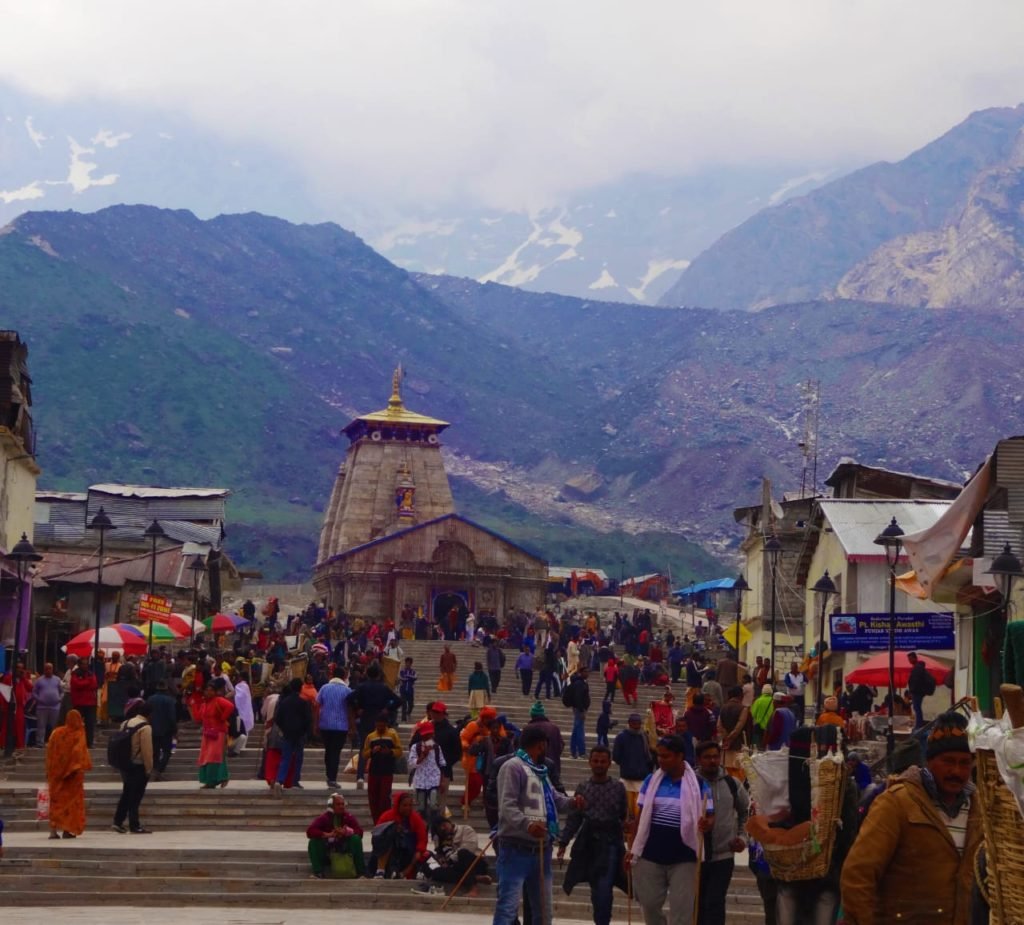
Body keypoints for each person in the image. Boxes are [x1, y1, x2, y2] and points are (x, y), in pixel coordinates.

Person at [840, 712, 981, 924]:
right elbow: (858, 875)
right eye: (948, 761)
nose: (957, 771)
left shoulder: (980, 811)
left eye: (964, 763)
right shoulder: (896, 803)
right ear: (930, 761)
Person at [492, 725, 582, 925]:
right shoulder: (513, 767)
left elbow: (555, 799)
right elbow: (507, 806)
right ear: (541, 746)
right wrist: (528, 825)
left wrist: (573, 803)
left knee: (544, 912)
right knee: (507, 908)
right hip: (516, 848)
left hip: (541, 851)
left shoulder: (540, 771)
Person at [627, 733, 704, 925]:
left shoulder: (699, 785)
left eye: (666, 756)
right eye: (659, 756)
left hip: (684, 857)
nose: (660, 760)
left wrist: (707, 823)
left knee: (682, 912)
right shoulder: (650, 781)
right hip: (651, 855)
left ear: (680, 757)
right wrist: (631, 848)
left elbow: (708, 814)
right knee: (649, 904)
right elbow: (641, 815)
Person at [557, 745, 628, 925]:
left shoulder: (618, 788)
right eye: (595, 761)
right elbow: (574, 818)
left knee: (604, 887)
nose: (599, 764)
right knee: (596, 888)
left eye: (603, 761)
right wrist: (563, 842)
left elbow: (625, 817)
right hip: (588, 843)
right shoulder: (583, 787)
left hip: (611, 843)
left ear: (609, 763)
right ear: (589, 762)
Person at [694, 740, 749, 925]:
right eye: (707, 757)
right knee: (698, 904)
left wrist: (742, 837)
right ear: (699, 759)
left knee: (715, 902)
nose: (712, 761)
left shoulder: (732, 784)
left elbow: (746, 813)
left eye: (715, 756)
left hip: (723, 855)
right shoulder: (690, 784)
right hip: (696, 856)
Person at [45, 708, 92, 839]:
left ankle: (53, 832)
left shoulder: (56, 732)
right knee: (71, 805)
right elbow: (79, 752)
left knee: (56, 803)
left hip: (55, 775)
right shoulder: (79, 733)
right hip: (72, 777)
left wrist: (49, 771)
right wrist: (74, 768)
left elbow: (49, 752)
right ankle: (68, 830)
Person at [419, 815, 491, 895]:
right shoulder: (441, 842)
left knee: (462, 853)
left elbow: (469, 848)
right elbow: (441, 858)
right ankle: (476, 878)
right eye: (440, 829)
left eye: (444, 825)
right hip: (456, 868)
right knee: (434, 870)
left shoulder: (466, 829)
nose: (443, 829)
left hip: (474, 864)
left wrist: (449, 861)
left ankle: (473, 887)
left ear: (448, 822)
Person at [112, 700, 154, 834]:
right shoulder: (145, 727)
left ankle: (118, 821)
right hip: (138, 765)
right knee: (135, 797)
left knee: (126, 793)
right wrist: (149, 768)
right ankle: (134, 825)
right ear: (150, 714)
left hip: (124, 764)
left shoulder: (125, 723)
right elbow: (147, 750)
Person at [369, 791, 429, 880]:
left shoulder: (416, 818)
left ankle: (402, 874)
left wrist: (419, 850)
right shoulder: (386, 816)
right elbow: (377, 835)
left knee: (425, 855)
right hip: (389, 849)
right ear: (398, 805)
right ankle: (381, 871)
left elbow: (422, 838)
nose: (408, 808)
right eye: (405, 805)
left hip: (408, 849)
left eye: (410, 805)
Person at [306, 792, 365, 879]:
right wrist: (327, 834)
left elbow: (360, 831)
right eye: (338, 804)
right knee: (313, 842)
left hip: (345, 850)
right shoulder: (324, 817)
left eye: (342, 804)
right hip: (328, 851)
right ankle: (318, 872)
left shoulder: (348, 816)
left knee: (356, 839)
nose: (341, 806)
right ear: (331, 806)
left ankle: (360, 872)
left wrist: (347, 832)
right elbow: (310, 831)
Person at [273, 677, 313, 794]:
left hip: (287, 733)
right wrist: (305, 731)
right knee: (298, 758)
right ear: (301, 688)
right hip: (299, 734)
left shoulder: (284, 702)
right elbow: (308, 719)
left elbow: (278, 718)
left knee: (285, 758)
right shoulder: (303, 702)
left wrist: (284, 728)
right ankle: (295, 781)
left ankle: (279, 780)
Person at [316, 666, 353, 788]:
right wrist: (352, 727)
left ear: (332, 675)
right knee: (336, 752)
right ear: (344, 677)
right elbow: (351, 710)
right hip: (341, 727)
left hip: (325, 724)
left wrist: (315, 724)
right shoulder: (347, 691)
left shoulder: (324, 688)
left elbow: (316, 705)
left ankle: (329, 775)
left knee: (328, 751)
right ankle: (332, 778)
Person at [612, 712, 654, 821]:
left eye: (638, 723)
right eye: (634, 723)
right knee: (627, 810)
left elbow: (648, 755)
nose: (636, 725)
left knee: (638, 811)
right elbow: (616, 756)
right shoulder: (621, 737)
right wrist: (627, 764)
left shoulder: (644, 736)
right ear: (629, 723)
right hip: (627, 778)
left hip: (641, 777)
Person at [362, 711, 402, 822]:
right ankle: (376, 822)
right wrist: (372, 751)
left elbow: (399, 751)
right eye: (378, 725)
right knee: (373, 797)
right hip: (374, 771)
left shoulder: (392, 735)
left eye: (382, 725)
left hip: (387, 771)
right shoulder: (371, 737)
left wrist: (389, 752)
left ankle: (385, 820)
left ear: (386, 724)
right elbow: (364, 754)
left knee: (384, 798)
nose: (380, 727)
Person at [197, 678, 234, 788]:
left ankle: (213, 781)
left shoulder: (218, 700)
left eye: (211, 690)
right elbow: (199, 717)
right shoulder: (204, 704)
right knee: (206, 756)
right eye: (207, 690)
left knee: (214, 756)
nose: (209, 692)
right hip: (207, 734)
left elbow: (230, 706)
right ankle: (216, 779)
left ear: (215, 692)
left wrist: (222, 718)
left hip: (218, 733)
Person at [426, 700, 462, 810]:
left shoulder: (451, 731)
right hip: (426, 770)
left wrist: (443, 763)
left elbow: (457, 753)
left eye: (438, 712)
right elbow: (414, 743)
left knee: (439, 804)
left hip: (443, 772)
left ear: (444, 714)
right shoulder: (426, 727)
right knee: (425, 803)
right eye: (433, 712)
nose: (435, 715)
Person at [408, 720, 446, 817]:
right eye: (425, 735)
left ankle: (434, 826)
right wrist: (423, 756)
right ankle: (422, 826)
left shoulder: (437, 748)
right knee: (421, 807)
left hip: (434, 780)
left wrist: (442, 781)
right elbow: (412, 764)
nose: (427, 738)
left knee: (433, 805)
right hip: (420, 780)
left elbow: (442, 764)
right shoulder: (415, 747)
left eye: (429, 735)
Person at [524, 701, 565, 778]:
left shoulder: (528, 729)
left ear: (532, 715)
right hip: (553, 765)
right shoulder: (554, 728)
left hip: (533, 767)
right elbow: (560, 746)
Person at [146, 679, 178, 780]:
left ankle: (155, 769)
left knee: (155, 752)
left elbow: (146, 713)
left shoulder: (150, 699)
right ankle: (159, 770)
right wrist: (175, 730)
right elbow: (172, 717)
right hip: (166, 730)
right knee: (167, 752)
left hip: (152, 729)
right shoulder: (170, 700)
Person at [717, 686, 750, 780]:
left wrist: (726, 737)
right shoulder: (743, 708)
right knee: (738, 771)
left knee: (726, 768)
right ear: (740, 695)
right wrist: (731, 738)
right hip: (737, 744)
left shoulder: (723, 707)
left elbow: (719, 725)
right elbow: (739, 726)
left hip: (725, 745)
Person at [69, 660, 99, 748]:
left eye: (86, 664)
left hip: (90, 703)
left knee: (90, 724)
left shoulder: (91, 673)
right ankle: (75, 742)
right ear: (79, 665)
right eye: (83, 664)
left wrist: (85, 682)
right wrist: (88, 682)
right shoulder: (75, 674)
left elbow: (94, 684)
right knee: (76, 724)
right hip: (79, 703)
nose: (85, 666)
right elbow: (77, 684)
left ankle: (89, 743)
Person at [32, 663, 63, 748]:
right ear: (44, 669)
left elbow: (62, 691)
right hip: (42, 707)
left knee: (54, 726)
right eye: (47, 669)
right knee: (41, 725)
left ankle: (54, 742)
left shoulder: (57, 679)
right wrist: (39, 699)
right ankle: (40, 743)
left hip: (55, 707)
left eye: (50, 669)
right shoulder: (39, 680)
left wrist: (59, 699)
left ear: (52, 669)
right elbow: (34, 692)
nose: (48, 670)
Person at [566, 668, 591, 759]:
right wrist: (581, 710)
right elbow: (578, 698)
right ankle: (581, 752)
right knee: (579, 731)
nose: (587, 673)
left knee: (576, 731)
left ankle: (573, 752)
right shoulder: (580, 684)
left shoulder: (582, 683)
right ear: (580, 673)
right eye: (585, 672)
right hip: (579, 710)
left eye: (587, 671)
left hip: (579, 709)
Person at [907, 651, 934, 729]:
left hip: (917, 692)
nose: (909, 660)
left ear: (914, 658)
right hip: (919, 691)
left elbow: (916, 681)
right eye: (908, 659)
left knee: (917, 708)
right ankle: (919, 723)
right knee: (917, 707)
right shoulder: (918, 667)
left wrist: (911, 691)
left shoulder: (917, 668)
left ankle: (919, 725)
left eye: (910, 658)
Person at [750, 683, 775, 749]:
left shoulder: (758, 701)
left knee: (760, 746)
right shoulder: (774, 701)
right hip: (771, 727)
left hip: (760, 727)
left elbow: (752, 714)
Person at [783, 661, 807, 725]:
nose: (794, 669)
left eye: (795, 667)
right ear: (791, 668)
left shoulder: (802, 675)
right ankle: (791, 723)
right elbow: (787, 682)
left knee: (801, 711)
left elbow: (806, 681)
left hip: (800, 696)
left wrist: (803, 683)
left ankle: (801, 724)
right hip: (791, 697)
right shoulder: (788, 675)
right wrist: (792, 685)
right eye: (792, 668)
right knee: (792, 710)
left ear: (797, 668)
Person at [398, 657, 417, 721]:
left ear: (411, 664)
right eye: (407, 663)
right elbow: (401, 678)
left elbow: (415, 677)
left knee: (411, 704)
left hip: (410, 690)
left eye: (409, 663)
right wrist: (408, 678)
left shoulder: (413, 671)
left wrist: (408, 677)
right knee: (404, 705)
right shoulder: (402, 671)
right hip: (403, 690)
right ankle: (403, 719)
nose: (408, 664)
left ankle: (408, 713)